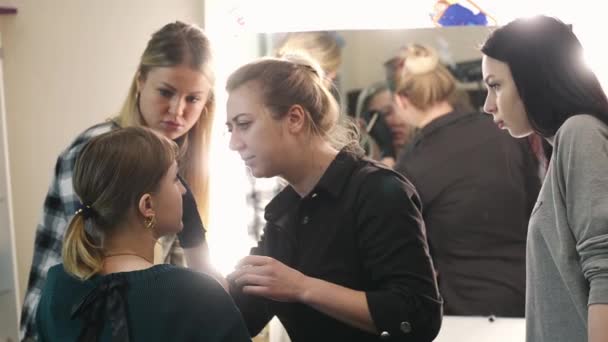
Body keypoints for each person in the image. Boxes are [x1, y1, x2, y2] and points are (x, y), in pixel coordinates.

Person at [21, 21, 219, 340]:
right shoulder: (97, 152)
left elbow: (176, 276)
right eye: (166, 92)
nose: (176, 111)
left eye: (193, 99)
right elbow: (98, 273)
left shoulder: (179, 163)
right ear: (141, 79)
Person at [224, 55, 442, 342]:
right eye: (231, 129)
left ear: (294, 118)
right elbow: (234, 319)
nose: (234, 143)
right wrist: (190, 236)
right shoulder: (284, 212)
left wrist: (303, 287)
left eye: (243, 124)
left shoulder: (378, 192)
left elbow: (417, 316)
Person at [35, 127, 251, 342]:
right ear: (147, 205)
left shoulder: (56, 286)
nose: (184, 191)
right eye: (175, 178)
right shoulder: (196, 294)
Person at [481, 15, 608, 342]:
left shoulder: (580, 132)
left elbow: (605, 270)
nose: (487, 105)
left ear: (532, 78)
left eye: (495, 85)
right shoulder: (563, 144)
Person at [392, 44, 540, 317]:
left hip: (469, 308)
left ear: (402, 100)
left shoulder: (411, 165)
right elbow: (538, 205)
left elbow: (411, 255)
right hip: (533, 292)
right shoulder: (502, 130)